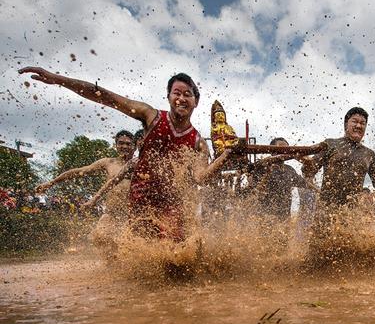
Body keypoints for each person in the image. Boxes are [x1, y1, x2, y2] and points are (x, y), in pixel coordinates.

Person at [19, 67, 233, 242]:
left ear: (196, 101)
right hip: (141, 200)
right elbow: (104, 96)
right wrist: (58, 79)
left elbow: (200, 177)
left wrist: (225, 157)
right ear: (168, 97)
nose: (182, 98)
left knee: (177, 256)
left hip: (172, 202)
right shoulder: (150, 115)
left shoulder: (198, 142)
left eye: (188, 94)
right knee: (144, 253)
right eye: (177, 93)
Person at [301, 107, 375, 266]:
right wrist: (307, 164)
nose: (359, 126)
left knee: (347, 254)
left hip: (351, 211)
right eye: (355, 122)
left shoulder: (368, 154)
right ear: (346, 124)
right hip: (326, 206)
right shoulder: (330, 144)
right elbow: (309, 170)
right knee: (317, 254)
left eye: (363, 123)